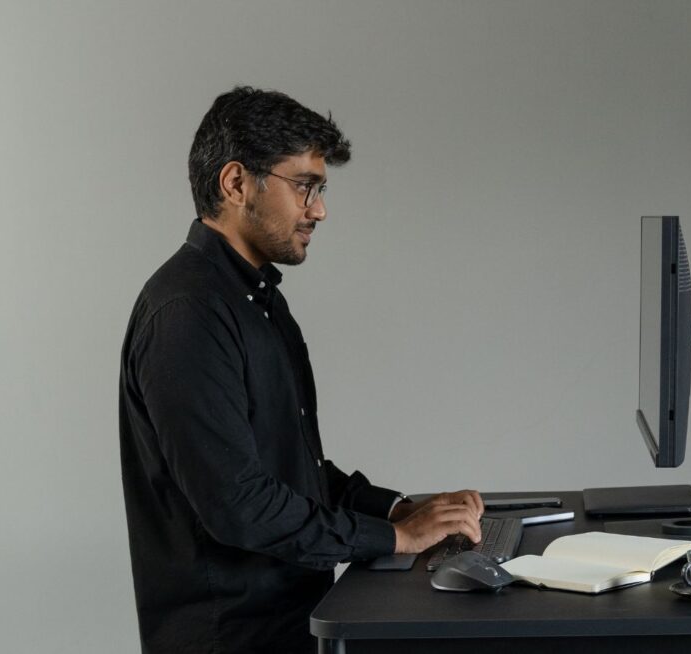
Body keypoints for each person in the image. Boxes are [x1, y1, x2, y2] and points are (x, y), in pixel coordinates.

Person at [119, 86, 483, 654]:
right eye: (305, 186)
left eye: (321, 189)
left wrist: (396, 510)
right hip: (232, 640)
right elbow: (239, 505)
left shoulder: (258, 301)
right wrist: (393, 538)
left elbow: (291, 470)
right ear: (236, 183)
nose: (318, 210)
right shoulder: (188, 313)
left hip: (291, 625)